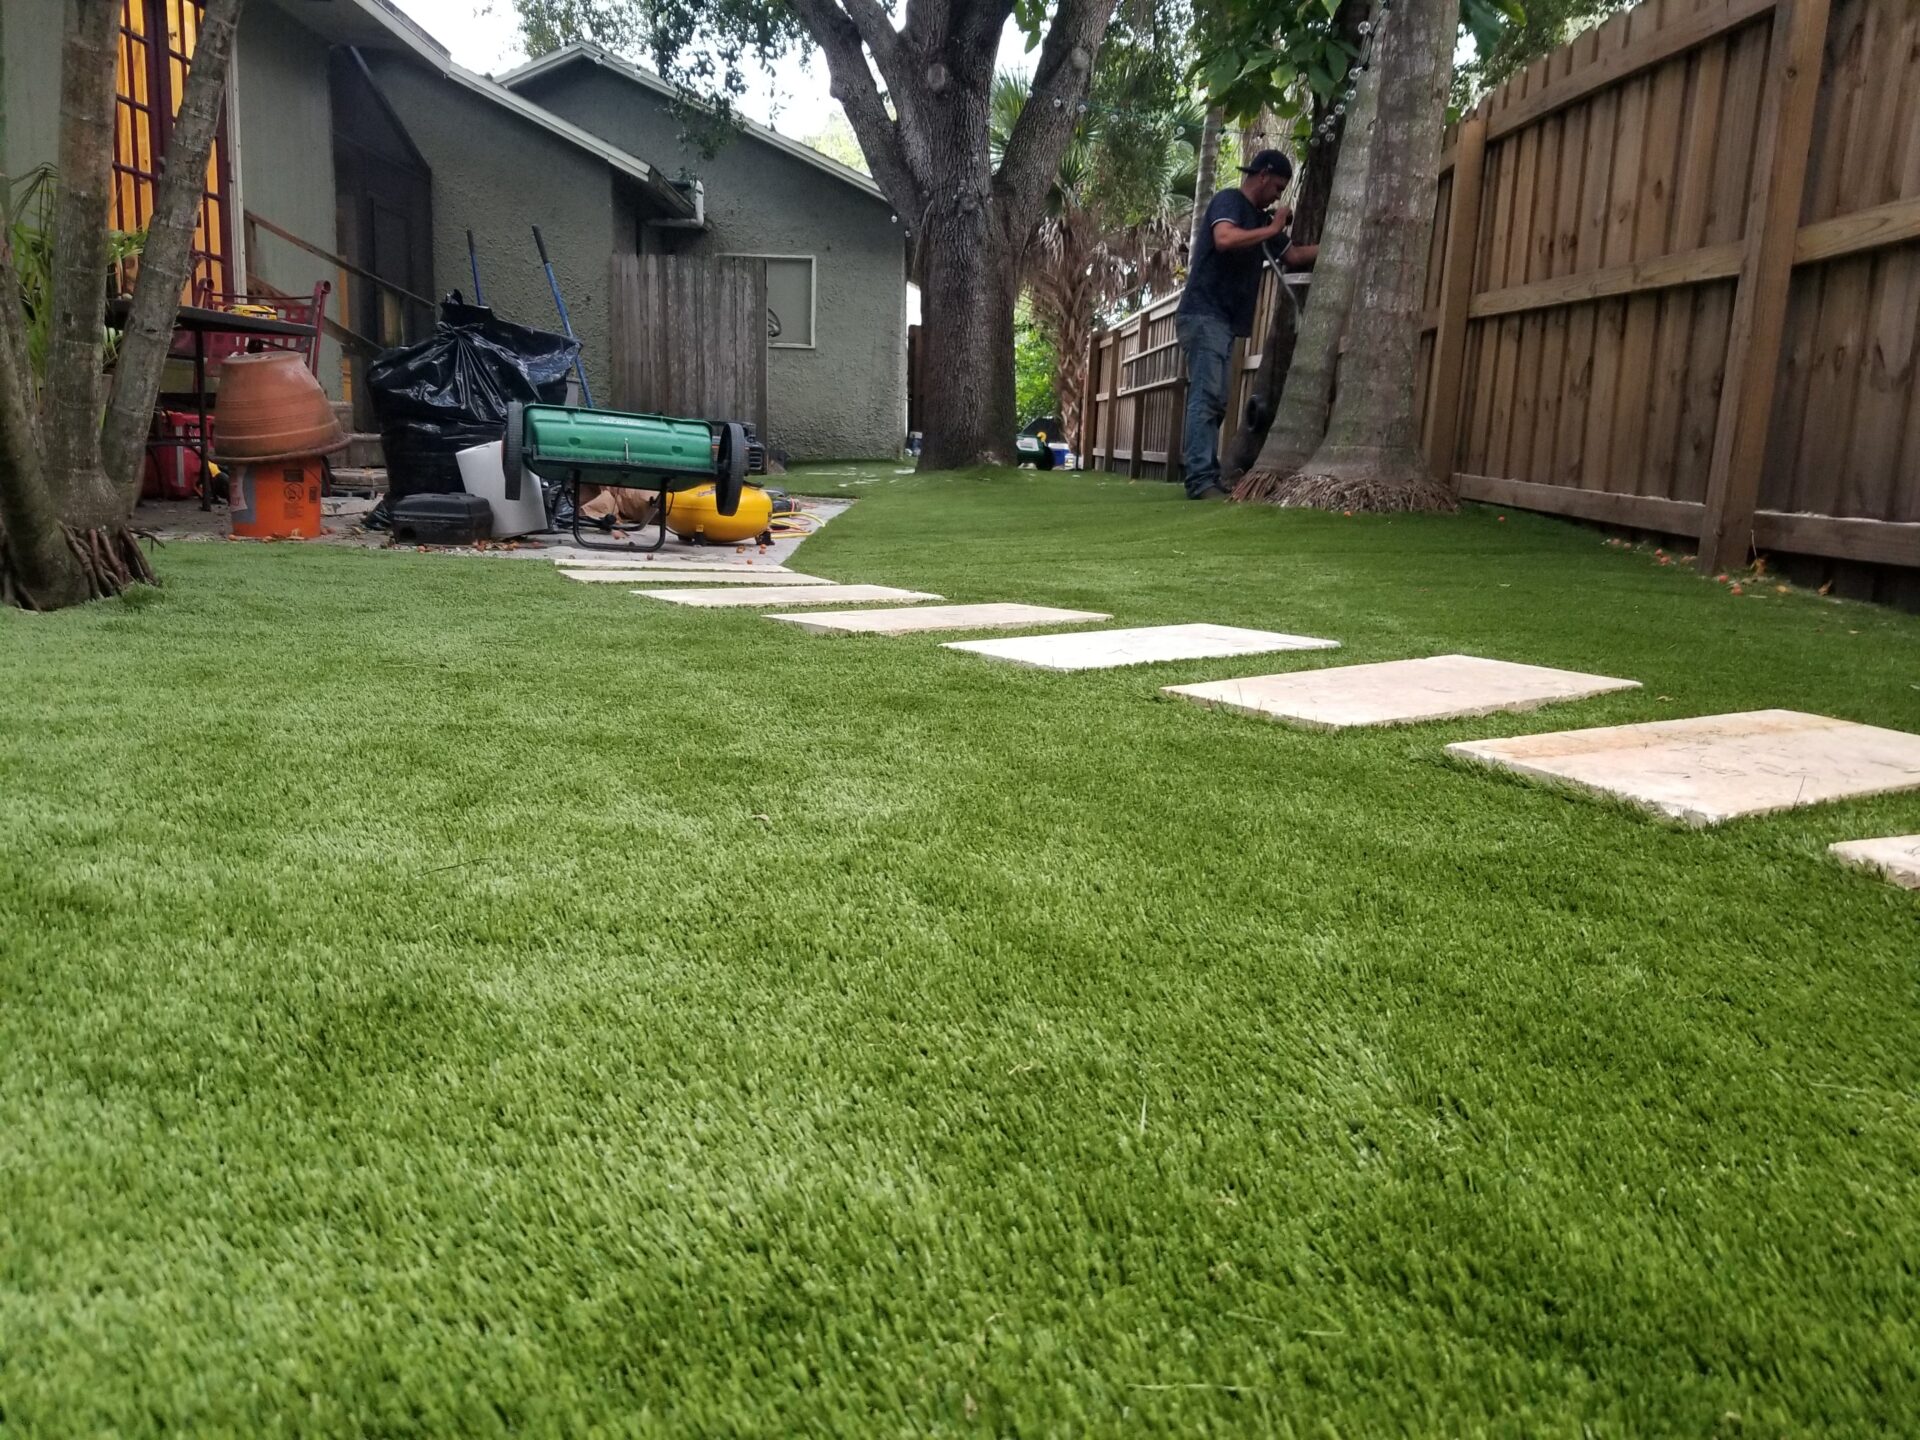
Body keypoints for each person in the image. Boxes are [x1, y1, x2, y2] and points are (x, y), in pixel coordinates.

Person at [1175, 149, 1319, 500]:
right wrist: (1271, 226)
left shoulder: (1258, 219)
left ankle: (1206, 473)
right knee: (1207, 397)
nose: (1278, 196)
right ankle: (1199, 481)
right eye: (1278, 187)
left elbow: (1294, 257)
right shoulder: (1230, 201)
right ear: (1264, 174)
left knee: (1218, 400)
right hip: (1203, 312)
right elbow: (1224, 239)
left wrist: (1344, 244)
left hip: (1224, 320)